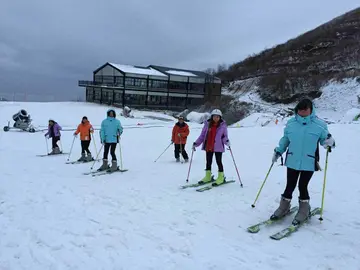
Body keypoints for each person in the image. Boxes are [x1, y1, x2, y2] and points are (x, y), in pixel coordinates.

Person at [270, 98, 335, 225]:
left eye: (305, 110)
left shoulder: (319, 125)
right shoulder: (291, 123)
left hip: (309, 162)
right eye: (300, 110)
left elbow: (324, 140)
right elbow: (285, 139)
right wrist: (278, 151)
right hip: (292, 159)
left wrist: (329, 143)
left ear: (311, 109)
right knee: (290, 185)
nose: (302, 113)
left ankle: (304, 210)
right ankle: (284, 207)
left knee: (302, 186)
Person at [193, 109, 230, 186]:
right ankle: (208, 176)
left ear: (220, 117)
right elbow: (202, 135)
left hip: (218, 146)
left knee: (218, 161)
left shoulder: (223, 125)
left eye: (217, 117)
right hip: (208, 145)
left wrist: (227, 142)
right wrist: (196, 143)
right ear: (212, 117)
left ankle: (221, 177)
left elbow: (224, 136)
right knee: (208, 161)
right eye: (214, 116)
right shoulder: (207, 124)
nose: (216, 118)